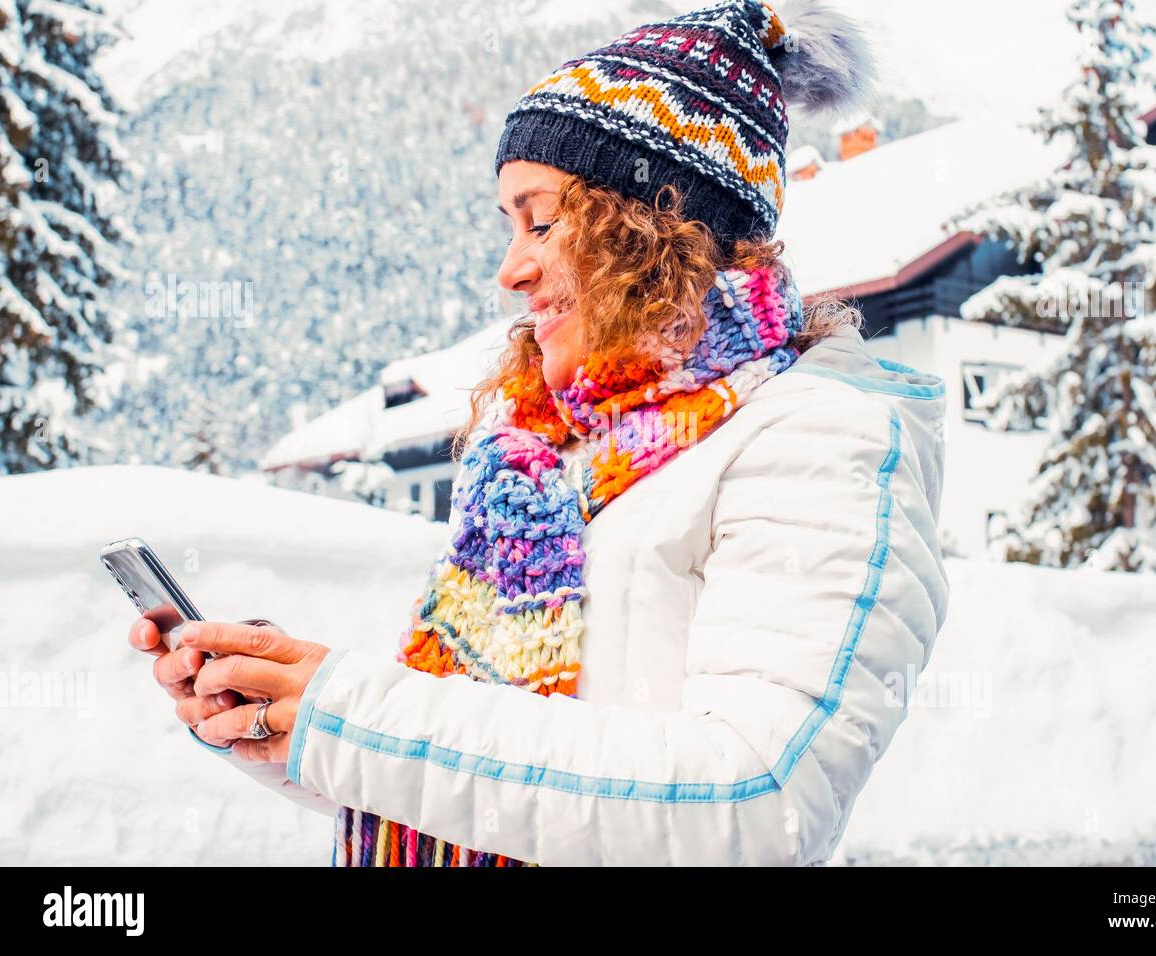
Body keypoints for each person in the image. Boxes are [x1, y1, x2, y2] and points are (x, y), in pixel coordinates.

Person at [127, 0, 950, 866]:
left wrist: (349, 715)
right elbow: (478, 786)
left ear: (654, 225)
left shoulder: (820, 438)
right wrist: (274, 712)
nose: (510, 268)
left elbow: (755, 805)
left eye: (542, 220)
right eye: (508, 224)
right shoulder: (542, 457)